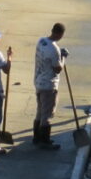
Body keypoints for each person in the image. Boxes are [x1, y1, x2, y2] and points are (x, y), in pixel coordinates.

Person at [33, 23, 66, 151]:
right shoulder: (54, 49)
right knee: (47, 114)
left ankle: (36, 137)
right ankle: (44, 140)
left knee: (40, 111)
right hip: (49, 85)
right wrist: (63, 58)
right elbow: (58, 69)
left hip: (38, 81)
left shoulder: (41, 41)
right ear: (60, 34)